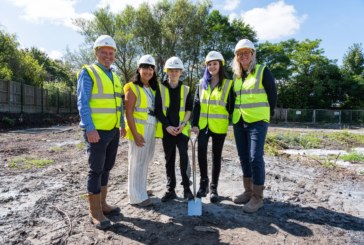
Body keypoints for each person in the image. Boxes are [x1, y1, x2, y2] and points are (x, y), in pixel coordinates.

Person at [77, 35, 125, 230]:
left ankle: (103, 204)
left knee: (107, 167)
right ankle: (95, 212)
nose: (107, 56)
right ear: (96, 53)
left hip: (112, 130)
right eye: (103, 52)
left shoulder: (114, 76)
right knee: (95, 170)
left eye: (111, 53)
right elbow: (82, 102)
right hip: (96, 131)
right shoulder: (88, 72)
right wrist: (89, 128)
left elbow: (118, 103)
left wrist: (121, 124)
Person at [231, 39, 277, 213]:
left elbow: (272, 95)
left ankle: (258, 198)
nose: (243, 56)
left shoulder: (262, 71)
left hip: (257, 121)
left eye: (246, 52)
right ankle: (248, 191)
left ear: (252, 54)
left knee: (255, 157)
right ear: (236, 57)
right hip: (239, 121)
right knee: (244, 157)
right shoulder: (236, 76)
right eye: (239, 53)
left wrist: (266, 114)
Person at [191, 51, 234, 203]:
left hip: (219, 126)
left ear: (220, 65)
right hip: (203, 126)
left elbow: (232, 107)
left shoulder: (229, 84)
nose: (212, 66)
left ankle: (214, 188)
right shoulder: (201, 84)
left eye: (215, 63)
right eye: (209, 64)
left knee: (216, 157)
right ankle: (204, 185)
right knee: (201, 152)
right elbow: (196, 105)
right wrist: (194, 124)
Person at [124, 54, 161, 207]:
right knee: (137, 161)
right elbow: (129, 112)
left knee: (146, 159)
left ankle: (141, 189)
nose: (148, 71)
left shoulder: (152, 89)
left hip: (151, 127)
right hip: (139, 129)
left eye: (151, 68)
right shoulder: (132, 87)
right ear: (138, 69)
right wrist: (134, 133)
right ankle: (136, 197)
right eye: (145, 67)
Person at [155, 56, 194, 202]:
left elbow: (189, 109)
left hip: (182, 130)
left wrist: (183, 124)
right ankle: (170, 189)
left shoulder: (186, 89)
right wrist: (167, 126)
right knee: (169, 160)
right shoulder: (160, 88)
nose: (173, 73)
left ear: (181, 72)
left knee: (184, 158)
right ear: (166, 71)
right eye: (171, 70)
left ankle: (186, 189)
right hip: (168, 131)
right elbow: (158, 110)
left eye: (176, 70)